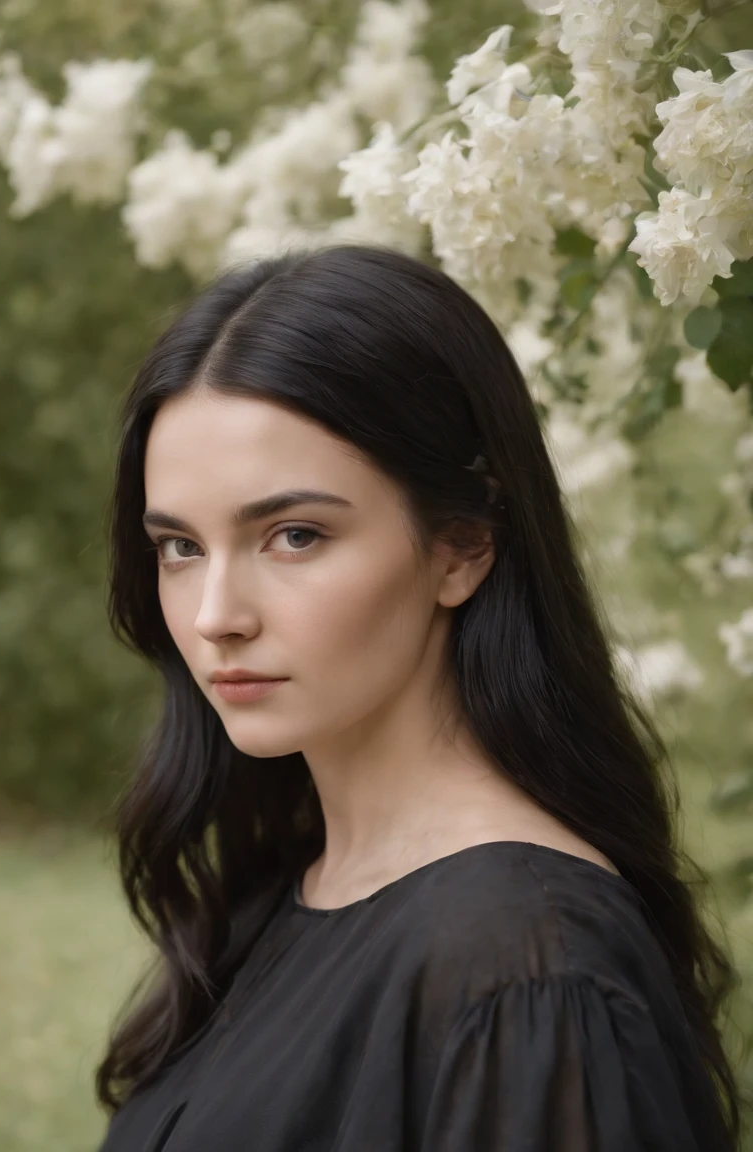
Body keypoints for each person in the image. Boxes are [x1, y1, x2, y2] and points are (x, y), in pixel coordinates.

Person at [94, 243, 744, 1150]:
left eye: (293, 534)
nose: (214, 617)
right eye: (180, 547)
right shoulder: (280, 891)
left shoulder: (527, 967)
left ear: (462, 546)